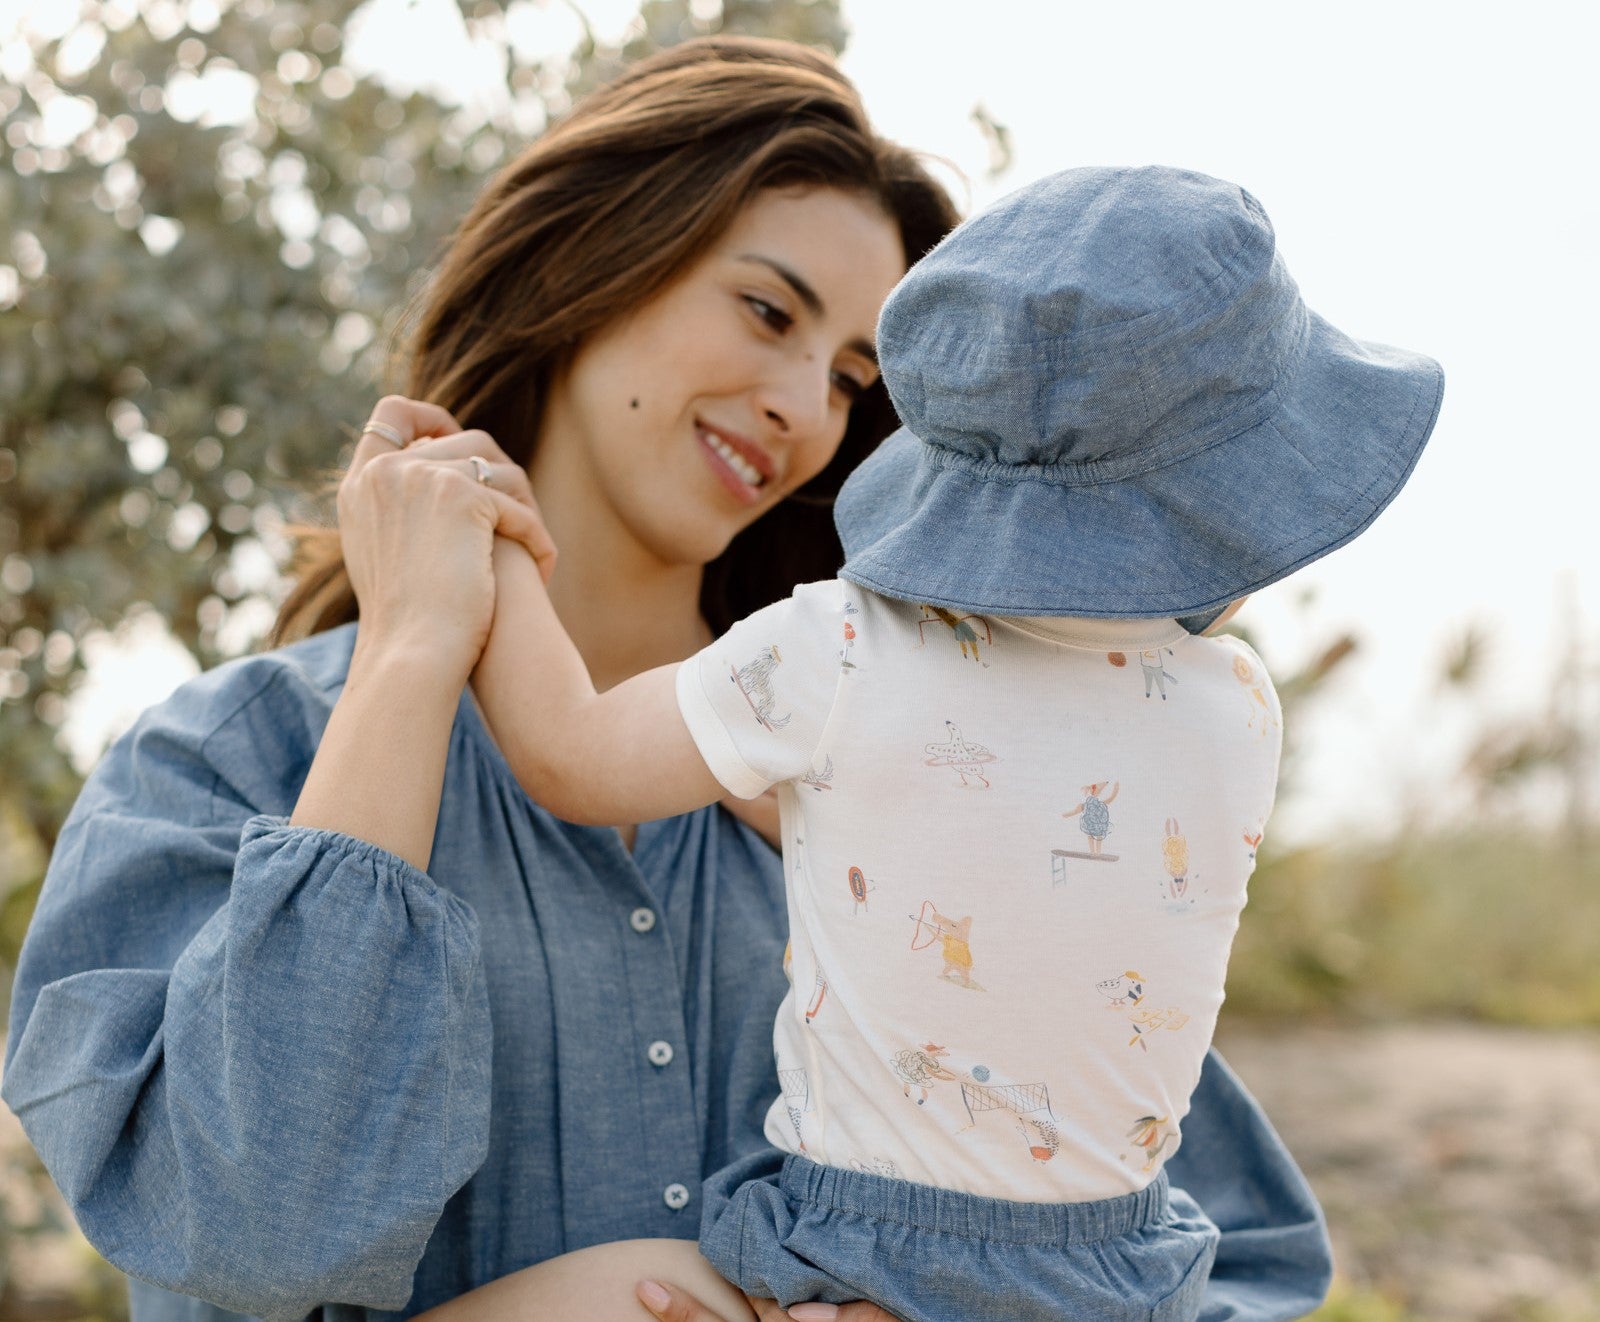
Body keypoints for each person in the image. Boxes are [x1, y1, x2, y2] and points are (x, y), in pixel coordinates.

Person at [0, 33, 1332, 1320]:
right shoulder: (225, 763)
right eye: (767, 310)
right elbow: (251, 1229)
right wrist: (414, 651)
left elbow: (1234, 1259)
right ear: (595, 262)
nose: (805, 402)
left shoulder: (935, 756)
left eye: (853, 379)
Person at [446, 166, 1444, 1320]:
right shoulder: (1238, 707)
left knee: (606, 1293)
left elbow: (570, 756)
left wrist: (496, 545)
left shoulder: (839, 652)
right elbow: (965, 821)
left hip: (863, 1255)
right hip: (1121, 1271)